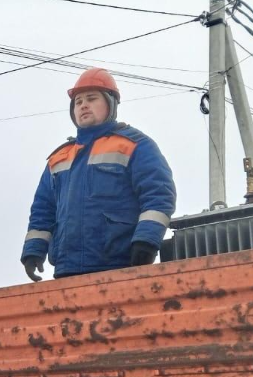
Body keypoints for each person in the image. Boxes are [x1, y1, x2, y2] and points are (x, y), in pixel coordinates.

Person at [21, 68, 176, 281]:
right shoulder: (59, 158)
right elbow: (43, 209)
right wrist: (33, 250)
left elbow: (158, 195)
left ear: (110, 104)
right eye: (78, 102)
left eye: (91, 99)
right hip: (67, 270)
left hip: (120, 265)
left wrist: (146, 241)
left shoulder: (135, 145)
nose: (83, 105)